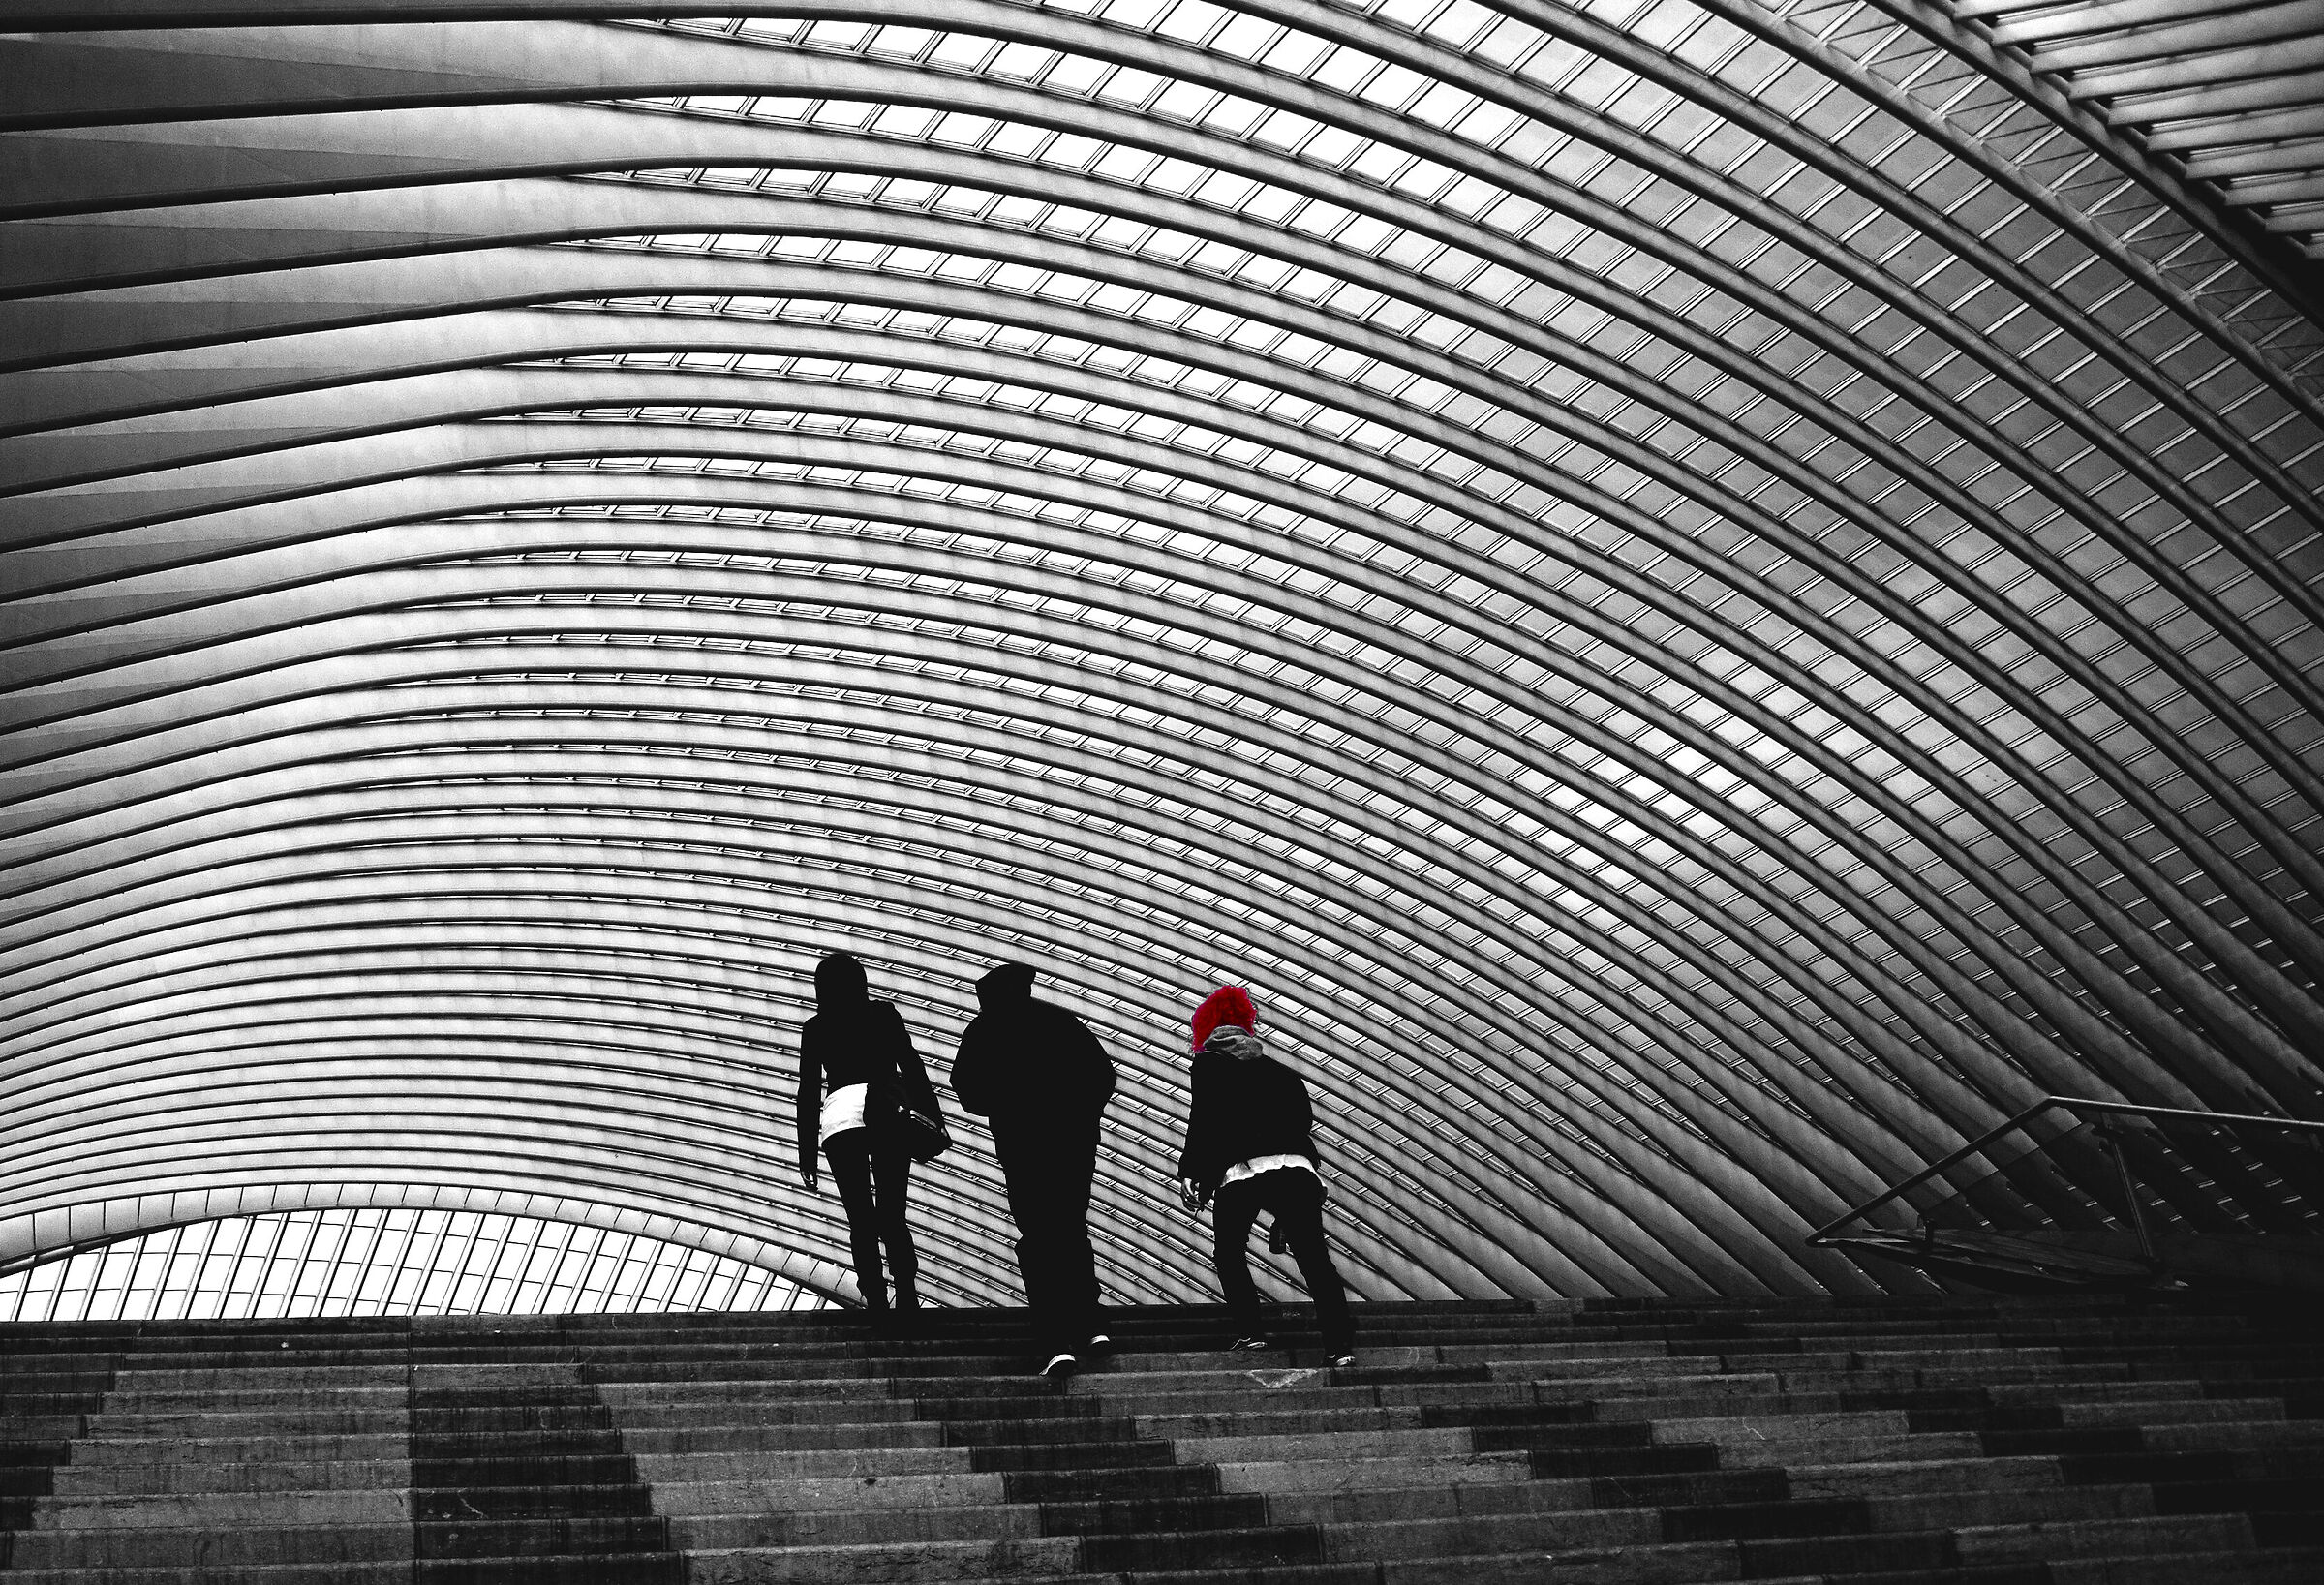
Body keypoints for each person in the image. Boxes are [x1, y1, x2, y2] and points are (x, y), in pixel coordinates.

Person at [1176, 985, 1355, 1367]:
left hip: (1244, 1171)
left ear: (1206, 1032)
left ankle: (1251, 1332)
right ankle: (1339, 1345)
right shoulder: (1282, 1073)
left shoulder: (1208, 1065)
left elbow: (1206, 1121)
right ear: (1247, 1026)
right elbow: (1303, 1120)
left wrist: (1193, 1173)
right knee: (1314, 1257)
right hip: (1296, 1170)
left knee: (1229, 1251)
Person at [952, 961, 1116, 1376]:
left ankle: (1054, 1339)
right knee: (1071, 1226)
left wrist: (1004, 1107)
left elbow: (965, 1086)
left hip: (1022, 1145)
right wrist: (1082, 1115)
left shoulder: (985, 1030)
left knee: (1038, 1234)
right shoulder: (1061, 1022)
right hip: (1073, 1143)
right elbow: (1103, 1074)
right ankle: (1091, 1324)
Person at [796, 951, 940, 1323]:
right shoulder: (883, 1014)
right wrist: (932, 1116)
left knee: (859, 1215)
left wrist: (807, 1156)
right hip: (886, 1110)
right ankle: (906, 1293)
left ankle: (875, 1299)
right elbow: (911, 1065)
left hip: (841, 1119)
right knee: (893, 1211)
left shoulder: (816, 1027)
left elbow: (809, 1090)